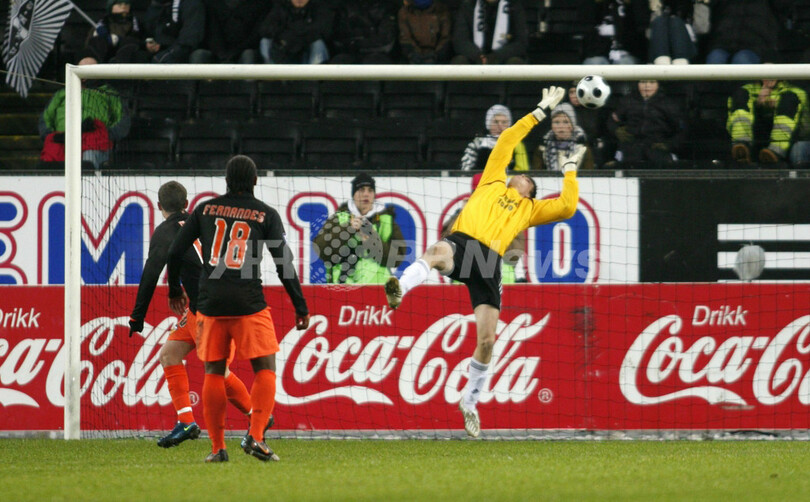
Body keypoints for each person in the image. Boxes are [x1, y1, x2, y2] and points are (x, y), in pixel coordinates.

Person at [384, 86, 584, 437]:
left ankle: (470, 402)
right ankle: (401, 286)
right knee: (437, 252)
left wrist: (569, 170)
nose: (519, 176)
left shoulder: (530, 209)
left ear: (530, 189)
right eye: (518, 174)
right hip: (464, 244)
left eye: (526, 178)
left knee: (488, 340)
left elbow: (567, 207)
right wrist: (539, 111)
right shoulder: (492, 181)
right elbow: (507, 139)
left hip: (489, 263)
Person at [167, 155, 310, 463]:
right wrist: (300, 305)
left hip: (210, 304)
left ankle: (217, 448)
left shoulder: (205, 209)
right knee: (265, 367)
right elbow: (283, 263)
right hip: (248, 302)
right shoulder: (265, 214)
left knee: (214, 371)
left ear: (227, 181)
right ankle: (256, 436)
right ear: (255, 181)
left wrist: (174, 289)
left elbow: (175, 251)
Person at [128, 181, 256, 448]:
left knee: (219, 371)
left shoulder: (165, 232)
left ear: (159, 206)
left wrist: (137, 317)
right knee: (169, 354)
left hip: (209, 310)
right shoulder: (204, 221)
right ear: (187, 204)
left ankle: (258, 417)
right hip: (212, 303)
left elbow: (150, 275)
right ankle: (186, 421)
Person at [313, 173, 408, 284]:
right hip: (343, 289)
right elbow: (322, 251)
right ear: (354, 195)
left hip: (377, 289)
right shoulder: (338, 218)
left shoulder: (386, 221)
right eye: (361, 190)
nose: (366, 194)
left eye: (370, 190)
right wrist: (347, 229)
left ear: (374, 195)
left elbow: (396, 259)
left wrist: (371, 239)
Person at [39, 58, 130, 169]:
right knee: (51, 162)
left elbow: (122, 120)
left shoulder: (109, 94)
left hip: (95, 142)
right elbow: (46, 118)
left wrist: (105, 135)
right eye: (82, 70)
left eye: (90, 70)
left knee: (88, 163)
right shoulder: (62, 93)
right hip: (63, 140)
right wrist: (52, 135)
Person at [727, 79, 808, 165]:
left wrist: (775, 107)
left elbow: (804, 126)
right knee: (740, 96)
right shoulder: (747, 90)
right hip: (755, 136)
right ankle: (742, 147)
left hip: (789, 143)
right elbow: (733, 117)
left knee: (789, 100)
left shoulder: (795, 92)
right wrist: (758, 106)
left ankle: (776, 152)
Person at [607, 80, 685, 168]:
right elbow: (612, 121)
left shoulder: (668, 104)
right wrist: (617, 131)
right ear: (637, 84)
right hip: (630, 146)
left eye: (652, 82)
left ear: (658, 85)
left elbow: (681, 130)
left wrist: (669, 145)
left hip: (658, 147)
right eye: (643, 82)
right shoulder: (627, 101)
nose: (647, 86)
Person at [703, 0, 783, 65]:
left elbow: (783, 7)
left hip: (754, 45)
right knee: (715, 60)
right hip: (722, 42)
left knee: (742, 60)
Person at [193, 0, 272, 64]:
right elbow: (212, 33)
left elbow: (256, 35)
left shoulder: (261, 3)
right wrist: (222, 54)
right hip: (217, 52)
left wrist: (235, 53)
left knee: (248, 55)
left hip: (245, 50)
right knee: (199, 55)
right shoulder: (212, 3)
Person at [451, 0, 527, 65]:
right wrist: (477, 56)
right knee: (459, 62)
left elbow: (521, 42)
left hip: (504, 59)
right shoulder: (469, 5)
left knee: (515, 63)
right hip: (475, 59)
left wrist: (497, 56)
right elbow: (460, 41)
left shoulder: (514, 5)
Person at [258, 0, 333, 65]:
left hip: (307, 51)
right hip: (283, 50)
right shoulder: (281, 8)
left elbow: (324, 30)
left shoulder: (318, 8)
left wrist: (298, 36)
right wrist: (285, 37)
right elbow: (265, 29)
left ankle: (313, 75)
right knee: (265, 42)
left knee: (318, 44)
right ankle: (272, 73)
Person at [461, 104, 529, 171]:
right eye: (496, 122)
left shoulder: (516, 144)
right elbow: (466, 169)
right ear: (488, 124)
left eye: (504, 122)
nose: (500, 126)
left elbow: (523, 170)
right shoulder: (478, 143)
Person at [330, 0, 398, 64]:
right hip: (349, 53)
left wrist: (357, 40)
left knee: (375, 61)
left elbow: (386, 42)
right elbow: (339, 39)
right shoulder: (345, 7)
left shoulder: (387, 7)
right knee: (339, 61)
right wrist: (369, 33)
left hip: (378, 53)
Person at [582, 0, 648, 66]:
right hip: (598, 52)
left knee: (625, 63)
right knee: (595, 63)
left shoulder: (634, 6)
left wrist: (618, 30)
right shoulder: (594, 6)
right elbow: (586, 33)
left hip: (626, 52)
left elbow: (639, 32)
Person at [532, 103, 594, 171]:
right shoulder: (542, 148)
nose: (561, 126)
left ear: (572, 125)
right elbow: (537, 173)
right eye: (556, 122)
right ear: (552, 126)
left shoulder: (583, 149)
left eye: (565, 122)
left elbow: (589, 174)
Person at [79, 0, 144, 65]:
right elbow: (88, 45)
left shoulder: (136, 24)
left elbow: (139, 42)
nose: (124, 6)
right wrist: (98, 36)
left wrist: (118, 39)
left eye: (126, 3)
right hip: (102, 59)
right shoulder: (102, 24)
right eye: (119, 4)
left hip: (125, 59)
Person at [142, 0, 207, 64]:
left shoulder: (191, 4)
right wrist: (150, 42)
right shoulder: (156, 5)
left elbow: (190, 38)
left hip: (182, 53)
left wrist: (168, 52)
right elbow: (149, 30)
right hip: (162, 51)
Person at [397, 0, 453, 64]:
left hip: (438, 59)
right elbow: (405, 38)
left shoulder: (442, 10)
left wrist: (436, 54)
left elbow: (446, 37)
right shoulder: (405, 12)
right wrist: (414, 54)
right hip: (413, 58)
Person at [648, 0, 698, 65]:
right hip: (655, 44)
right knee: (660, 22)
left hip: (687, 42)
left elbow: (702, 28)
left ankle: (679, 61)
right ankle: (663, 61)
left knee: (675, 22)